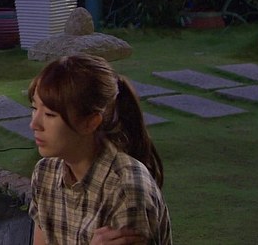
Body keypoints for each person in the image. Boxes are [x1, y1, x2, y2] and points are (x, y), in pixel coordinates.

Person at [28, 54, 172, 245]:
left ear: (91, 122)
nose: (34, 124)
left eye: (49, 114)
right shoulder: (45, 173)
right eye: (34, 108)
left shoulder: (126, 191)